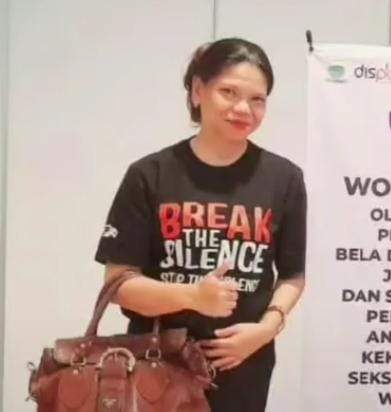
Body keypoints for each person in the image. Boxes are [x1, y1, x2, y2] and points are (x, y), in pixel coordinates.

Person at [95, 37, 306, 412]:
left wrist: (267, 328)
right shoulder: (150, 174)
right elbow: (119, 285)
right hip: (157, 367)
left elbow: (292, 275)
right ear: (197, 91)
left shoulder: (284, 178)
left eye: (257, 99)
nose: (243, 109)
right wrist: (193, 296)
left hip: (244, 366)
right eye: (229, 92)